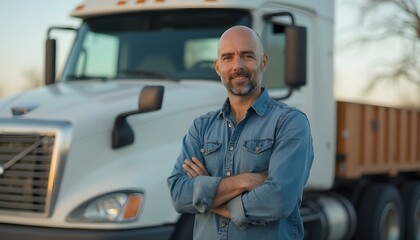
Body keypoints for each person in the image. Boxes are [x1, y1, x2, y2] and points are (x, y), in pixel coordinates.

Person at [167, 25, 314, 240]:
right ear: (218, 67)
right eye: (228, 58)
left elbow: (278, 201)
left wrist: (206, 195)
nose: (237, 65)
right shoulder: (201, 127)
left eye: (247, 56)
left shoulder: (290, 122)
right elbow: (179, 195)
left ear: (263, 62)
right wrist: (245, 181)